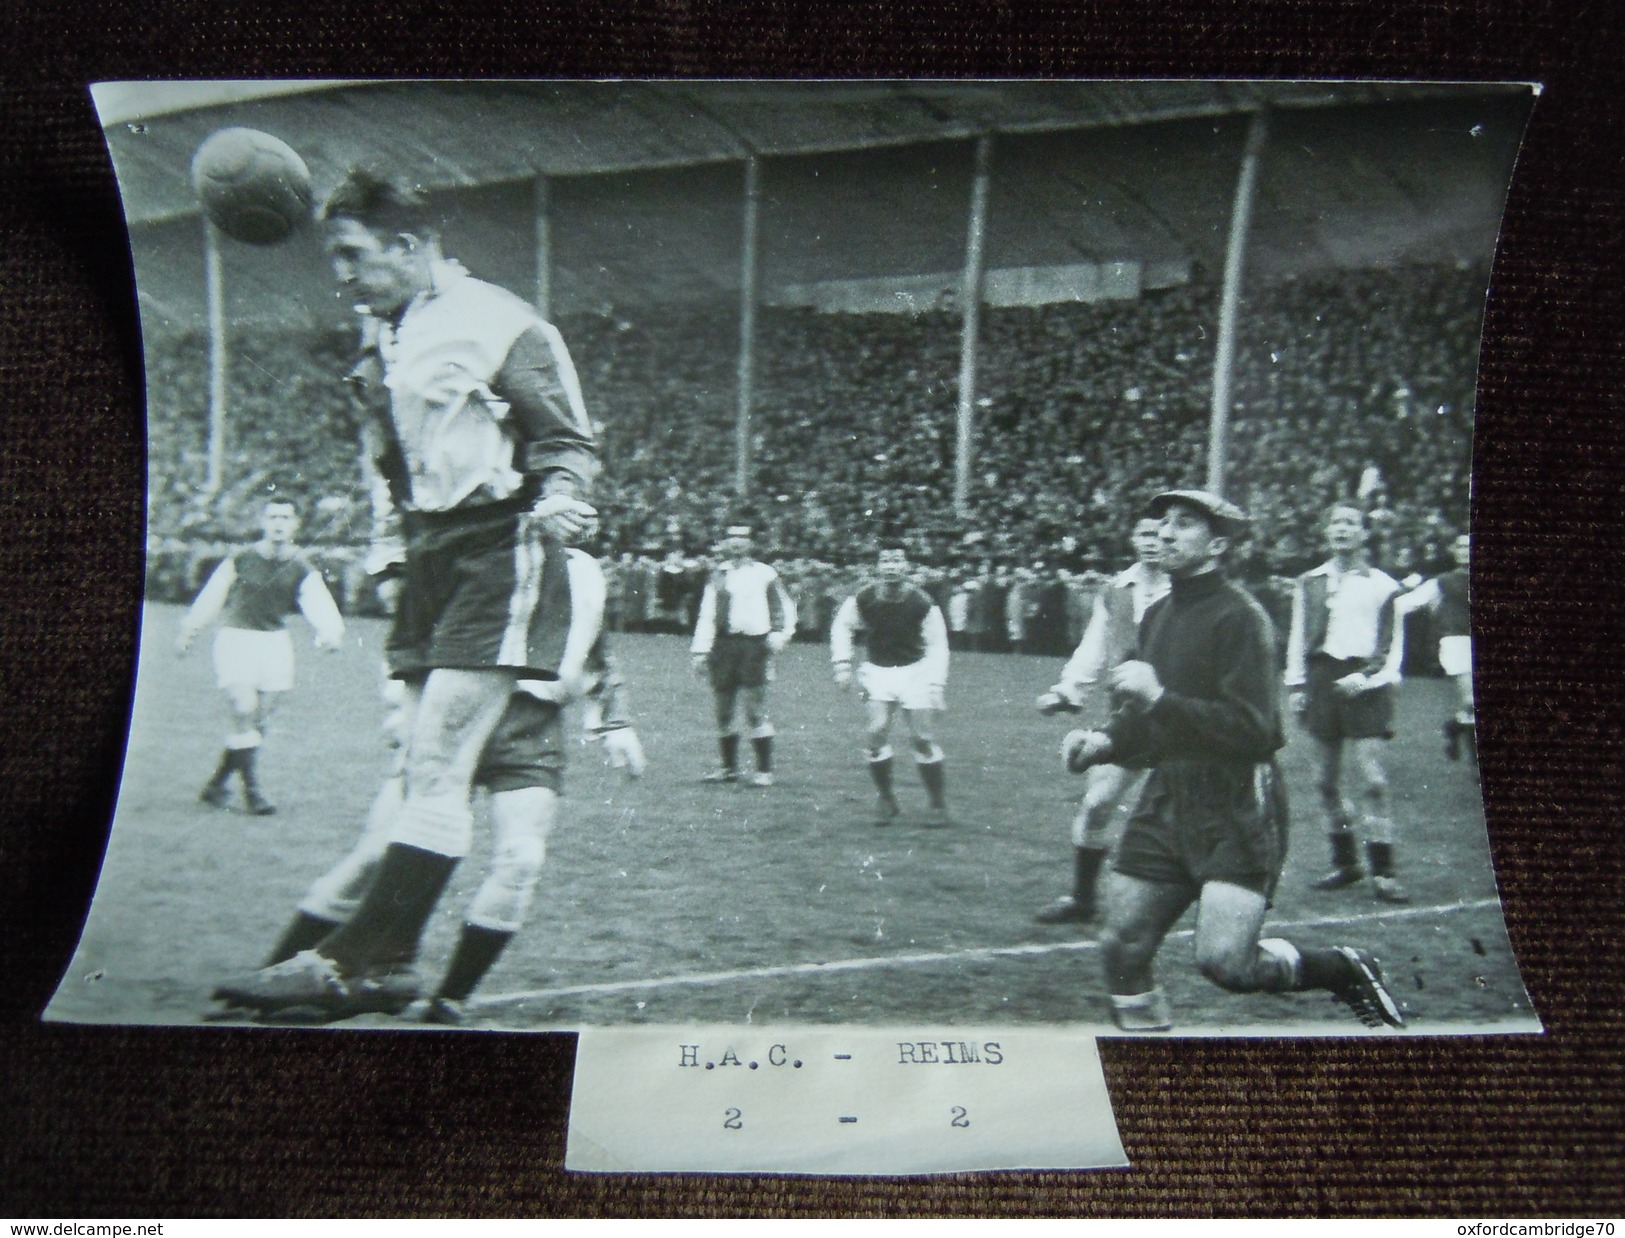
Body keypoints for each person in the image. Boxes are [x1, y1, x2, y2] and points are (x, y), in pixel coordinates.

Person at [212, 166, 600, 1020]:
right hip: (432, 556)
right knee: (426, 769)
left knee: (437, 764)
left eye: (353, 255)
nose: (341, 274)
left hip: (503, 545)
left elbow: (568, 438)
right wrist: (392, 548)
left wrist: (566, 495)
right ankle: (368, 963)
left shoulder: (499, 322)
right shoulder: (382, 330)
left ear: (410, 246)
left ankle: (367, 963)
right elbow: (393, 458)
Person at [219, 550, 645, 1026]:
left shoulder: (581, 567)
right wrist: (402, 706)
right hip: (453, 713)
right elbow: (415, 628)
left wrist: (616, 721)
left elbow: (597, 647)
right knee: (375, 855)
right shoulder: (481, 541)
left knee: (522, 857)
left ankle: (450, 1000)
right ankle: (271, 978)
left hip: (530, 725)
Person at [1061, 490, 1405, 1032]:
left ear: (1218, 545)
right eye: (1163, 523)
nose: (1167, 534)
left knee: (1227, 963)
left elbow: (1255, 731)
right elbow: (1147, 724)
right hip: (1168, 796)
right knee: (1121, 946)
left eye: (1185, 525)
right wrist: (1105, 741)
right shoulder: (1156, 615)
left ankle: (1343, 968)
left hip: (1237, 800)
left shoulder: (1241, 617)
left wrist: (1158, 699)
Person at [1034, 509, 1169, 923]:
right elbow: (1094, 645)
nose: (1151, 541)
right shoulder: (1116, 589)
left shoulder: (1186, 590)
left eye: (1158, 534)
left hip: (1179, 712)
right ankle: (1083, 899)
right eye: (1144, 532)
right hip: (1128, 715)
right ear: (1133, 539)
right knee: (1096, 803)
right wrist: (1067, 689)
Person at [177, 497, 345, 816]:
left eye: (285, 517)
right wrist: (189, 629)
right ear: (263, 522)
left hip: (275, 645)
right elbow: (213, 596)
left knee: (256, 723)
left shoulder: (300, 566)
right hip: (236, 640)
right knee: (244, 709)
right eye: (272, 517)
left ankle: (217, 783)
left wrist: (331, 632)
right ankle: (253, 792)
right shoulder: (240, 559)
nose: (278, 523)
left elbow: (318, 603)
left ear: (296, 524)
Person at [1284, 502, 1409, 902]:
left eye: (1350, 523)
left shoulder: (1384, 585)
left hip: (1366, 683)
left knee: (1372, 778)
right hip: (1322, 681)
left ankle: (1384, 873)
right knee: (1325, 781)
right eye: (1335, 522)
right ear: (1327, 532)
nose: (1342, 529)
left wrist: (1366, 677)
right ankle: (1346, 863)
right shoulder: (1310, 581)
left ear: (1363, 534)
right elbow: (1298, 637)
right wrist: (1297, 684)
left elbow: (1393, 648)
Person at [830, 545, 951, 827]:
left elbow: (938, 644)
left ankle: (937, 802)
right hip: (878, 671)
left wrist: (936, 684)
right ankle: (886, 798)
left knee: (921, 738)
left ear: (907, 566)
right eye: (886, 560)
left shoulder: (921, 602)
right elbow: (842, 626)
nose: (892, 565)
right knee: (876, 732)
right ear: (878, 565)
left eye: (897, 560)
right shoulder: (865, 597)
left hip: (916, 671)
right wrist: (842, 664)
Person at [690, 525, 796, 786]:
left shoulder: (764, 574)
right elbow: (707, 613)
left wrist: (779, 635)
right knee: (723, 711)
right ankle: (728, 768)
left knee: (754, 710)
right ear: (725, 543)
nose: (736, 544)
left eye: (742, 539)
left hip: (754, 646)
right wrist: (700, 650)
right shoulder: (719, 574)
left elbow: (784, 608)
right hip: (723, 646)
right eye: (732, 539)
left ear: (750, 544)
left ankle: (764, 771)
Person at [1395, 532, 1475, 761]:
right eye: (1460, 546)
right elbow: (1407, 603)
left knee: (1472, 707)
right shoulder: (1443, 581)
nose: (1465, 550)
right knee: (1471, 700)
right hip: (1457, 642)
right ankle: (1474, 763)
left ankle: (1454, 728)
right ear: (1454, 551)